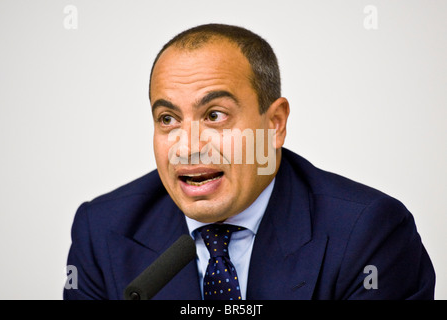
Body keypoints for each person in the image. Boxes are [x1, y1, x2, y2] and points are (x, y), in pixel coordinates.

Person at [64, 23, 435, 300]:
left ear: (274, 125)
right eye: (168, 119)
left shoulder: (369, 232)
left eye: (214, 115)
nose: (187, 147)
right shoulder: (102, 231)